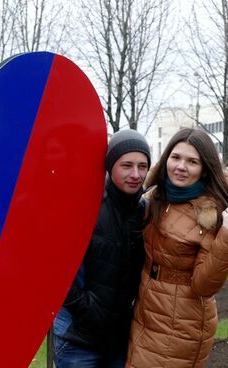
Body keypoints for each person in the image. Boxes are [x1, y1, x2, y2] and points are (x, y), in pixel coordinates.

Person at [126, 128, 228, 367]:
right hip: (145, 311)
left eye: (192, 161)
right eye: (176, 157)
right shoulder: (155, 197)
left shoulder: (210, 213)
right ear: (166, 158)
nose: (181, 166)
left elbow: (204, 285)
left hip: (181, 322)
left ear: (204, 168)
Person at [53, 129, 151, 368]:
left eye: (143, 166)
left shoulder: (145, 210)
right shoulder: (85, 205)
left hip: (118, 341)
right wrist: (88, 311)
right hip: (78, 339)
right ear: (110, 166)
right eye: (126, 165)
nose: (135, 174)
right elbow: (57, 267)